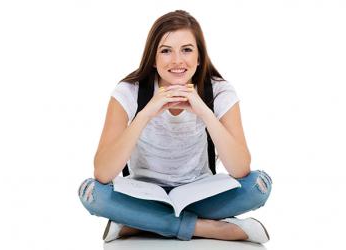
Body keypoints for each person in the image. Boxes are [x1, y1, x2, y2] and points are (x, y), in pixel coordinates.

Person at [78, 10, 272, 244]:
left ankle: (138, 223)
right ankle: (207, 228)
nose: (177, 61)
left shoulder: (219, 91)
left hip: (200, 194)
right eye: (166, 51)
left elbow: (241, 169)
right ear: (153, 58)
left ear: (199, 57)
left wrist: (205, 112)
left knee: (258, 186)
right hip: (143, 195)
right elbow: (103, 172)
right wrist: (146, 113)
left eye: (187, 50)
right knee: (93, 193)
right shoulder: (128, 92)